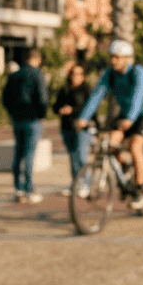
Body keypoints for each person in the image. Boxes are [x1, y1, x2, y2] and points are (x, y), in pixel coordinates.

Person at [74, 40, 143, 210]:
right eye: (111, 57)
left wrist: (130, 119)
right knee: (111, 144)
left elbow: (139, 95)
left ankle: (139, 192)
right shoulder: (110, 74)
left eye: (117, 57)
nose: (113, 61)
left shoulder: (138, 71)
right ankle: (126, 168)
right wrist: (83, 117)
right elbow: (97, 95)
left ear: (127, 58)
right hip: (126, 114)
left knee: (135, 147)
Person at [2, 49, 48, 203]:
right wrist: (42, 114)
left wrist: (12, 113)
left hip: (17, 119)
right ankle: (29, 188)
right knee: (29, 154)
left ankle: (18, 188)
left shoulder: (14, 75)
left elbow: (5, 97)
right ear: (36, 59)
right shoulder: (37, 74)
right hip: (32, 118)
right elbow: (42, 97)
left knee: (19, 153)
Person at [53, 64, 92, 195]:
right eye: (73, 74)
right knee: (73, 157)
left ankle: (86, 183)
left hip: (82, 128)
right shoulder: (64, 90)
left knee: (81, 156)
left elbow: (90, 108)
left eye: (79, 74)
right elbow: (55, 106)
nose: (76, 77)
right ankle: (76, 183)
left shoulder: (86, 90)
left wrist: (73, 110)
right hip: (67, 127)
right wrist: (60, 109)